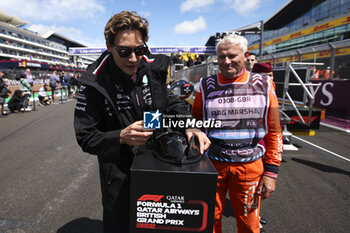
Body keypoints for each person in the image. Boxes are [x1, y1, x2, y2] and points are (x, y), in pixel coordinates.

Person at [73, 10, 210, 233]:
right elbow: (85, 137)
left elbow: (171, 103)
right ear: (109, 47)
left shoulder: (152, 69)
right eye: (125, 51)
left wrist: (190, 124)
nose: (134, 58)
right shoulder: (93, 83)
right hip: (119, 176)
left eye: (139, 50)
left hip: (157, 164)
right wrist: (120, 137)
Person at [191, 34, 283, 233]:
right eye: (221, 57)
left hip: (250, 165)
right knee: (208, 221)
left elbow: (274, 130)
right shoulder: (205, 86)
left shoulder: (265, 85)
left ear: (245, 55)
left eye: (232, 56)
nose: (226, 61)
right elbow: (195, 124)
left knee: (249, 225)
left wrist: (271, 172)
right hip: (212, 164)